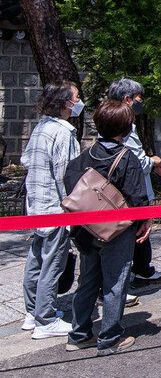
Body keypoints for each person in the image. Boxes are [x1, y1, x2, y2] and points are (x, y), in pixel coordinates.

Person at [64, 100, 151, 356]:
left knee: (87, 280)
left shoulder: (83, 156)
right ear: (126, 127)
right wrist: (145, 222)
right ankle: (110, 336)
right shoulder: (127, 157)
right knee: (115, 281)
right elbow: (137, 198)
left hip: (86, 229)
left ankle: (79, 334)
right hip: (116, 230)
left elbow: (71, 187)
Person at [20, 81, 81, 339]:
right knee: (52, 263)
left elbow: (25, 160)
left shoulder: (41, 127)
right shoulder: (63, 132)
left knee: (36, 259)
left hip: (36, 204)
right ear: (67, 103)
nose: (79, 102)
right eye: (77, 97)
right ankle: (46, 320)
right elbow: (65, 173)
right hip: (55, 207)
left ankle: (32, 313)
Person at [106, 78, 161, 288]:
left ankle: (141, 270)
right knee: (135, 232)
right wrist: (153, 161)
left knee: (134, 232)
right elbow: (135, 160)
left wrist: (151, 165)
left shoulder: (107, 118)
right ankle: (126, 279)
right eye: (138, 98)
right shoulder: (125, 124)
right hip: (130, 190)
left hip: (121, 188)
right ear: (127, 100)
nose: (141, 101)